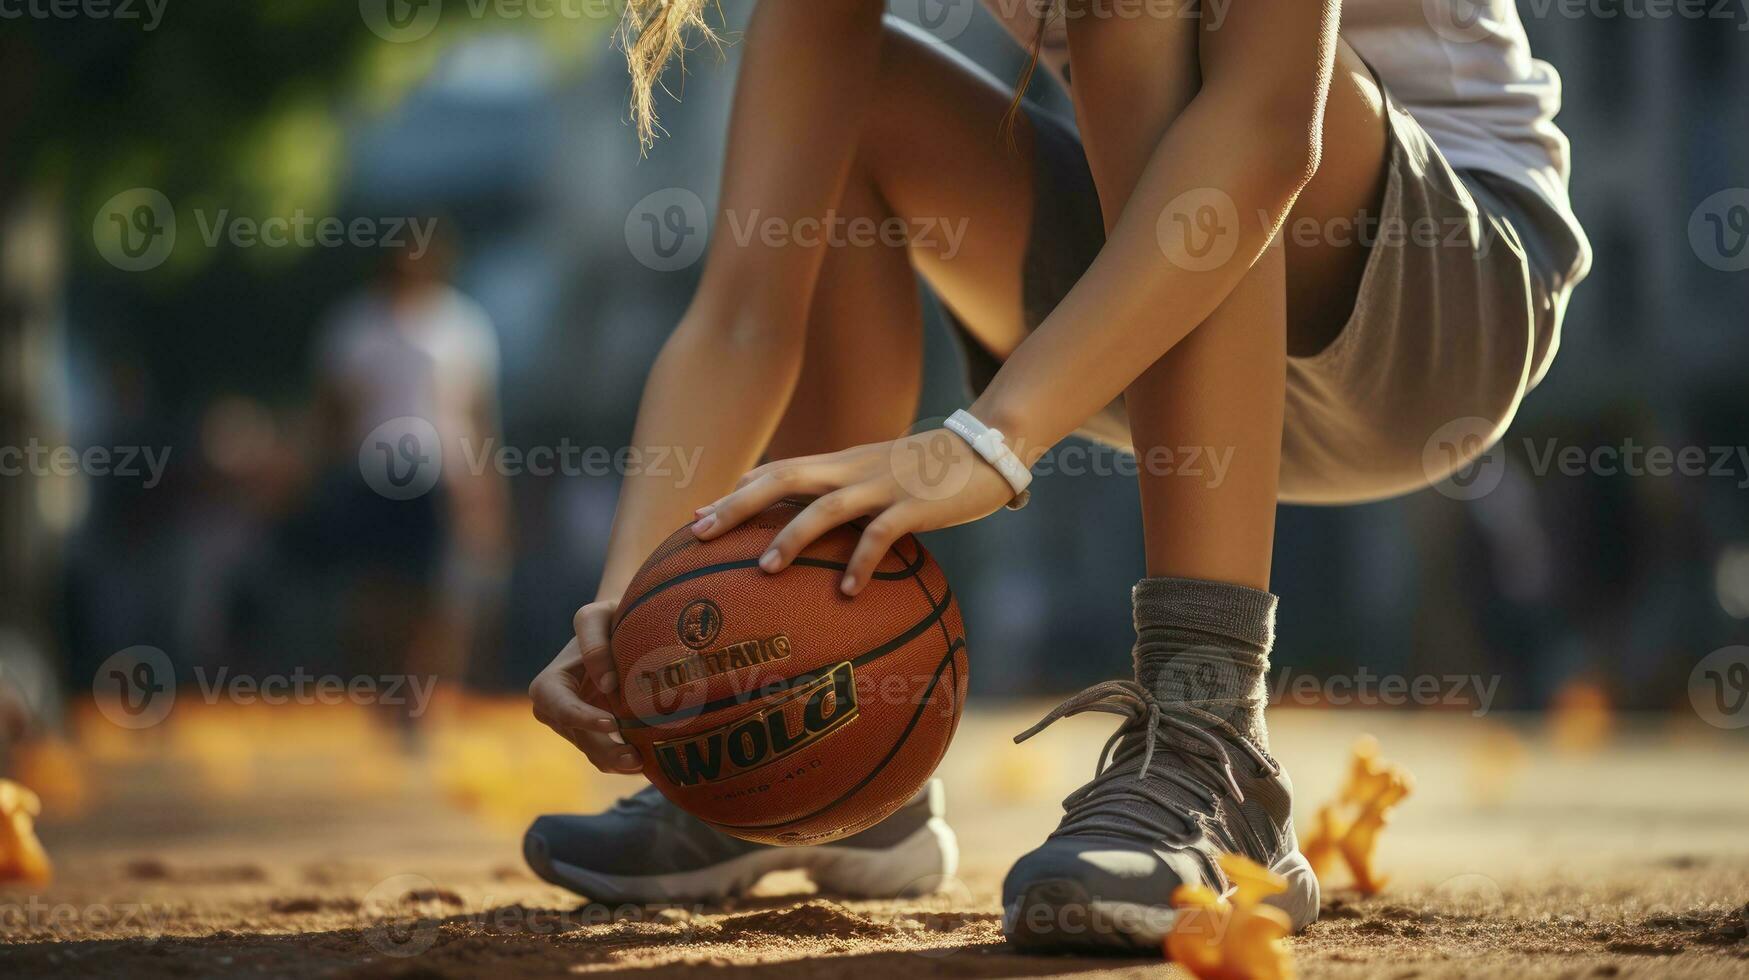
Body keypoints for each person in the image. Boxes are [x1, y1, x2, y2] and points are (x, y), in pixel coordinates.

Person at [526, 0, 1589, 952]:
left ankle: (1210, 731)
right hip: (1166, 297)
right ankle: (827, 717)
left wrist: (992, 435)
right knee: (848, 95)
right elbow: (743, 315)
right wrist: (634, 606)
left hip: (1442, 297)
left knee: (1134, 11)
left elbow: (1269, 128)